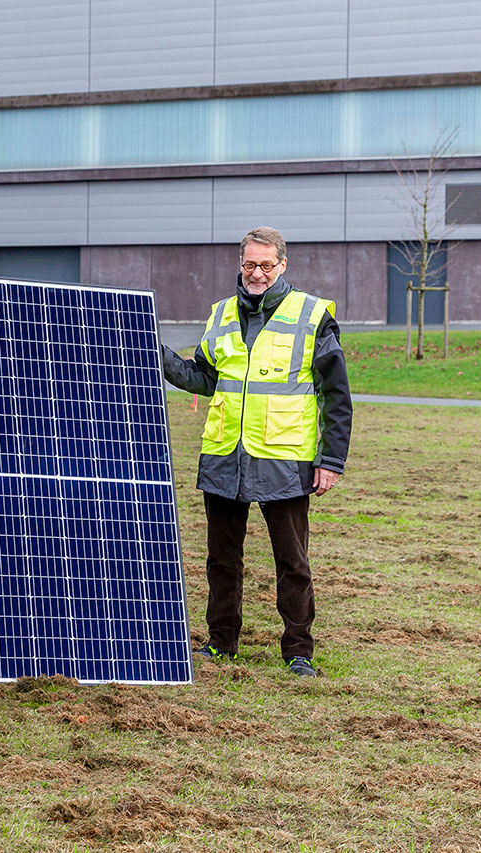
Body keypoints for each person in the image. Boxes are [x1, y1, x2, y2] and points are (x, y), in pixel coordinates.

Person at [161, 226, 351, 677]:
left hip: (284, 460)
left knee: (292, 561)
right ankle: (221, 643)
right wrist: (157, 354)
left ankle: (299, 651)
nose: (258, 273)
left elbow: (336, 394)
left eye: (267, 264)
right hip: (226, 456)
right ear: (240, 264)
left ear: (282, 265)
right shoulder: (222, 313)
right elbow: (204, 378)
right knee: (221, 559)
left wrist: (331, 460)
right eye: (250, 264)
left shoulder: (311, 315)